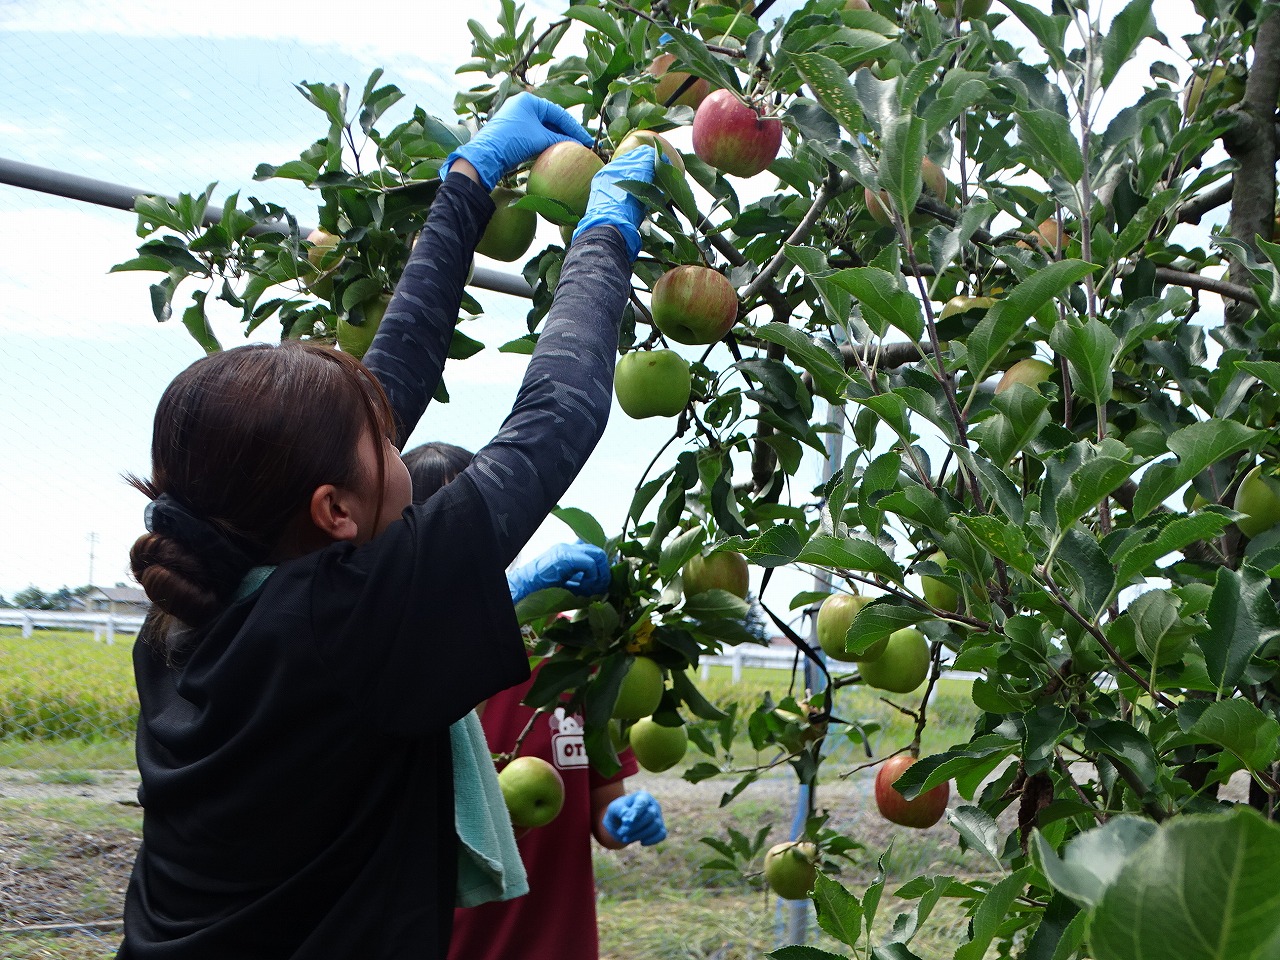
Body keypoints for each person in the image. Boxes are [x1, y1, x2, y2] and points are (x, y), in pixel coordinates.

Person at [116, 94, 660, 960]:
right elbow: (557, 416)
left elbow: (388, 372)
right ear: (333, 512)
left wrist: (469, 184)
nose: (401, 436)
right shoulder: (342, 627)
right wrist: (605, 237)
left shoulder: (197, 609)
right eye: (384, 440)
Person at [403, 442, 668, 960]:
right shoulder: (397, 664)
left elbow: (601, 805)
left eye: (480, 527)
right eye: (442, 533)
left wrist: (620, 818)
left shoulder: (569, 655)